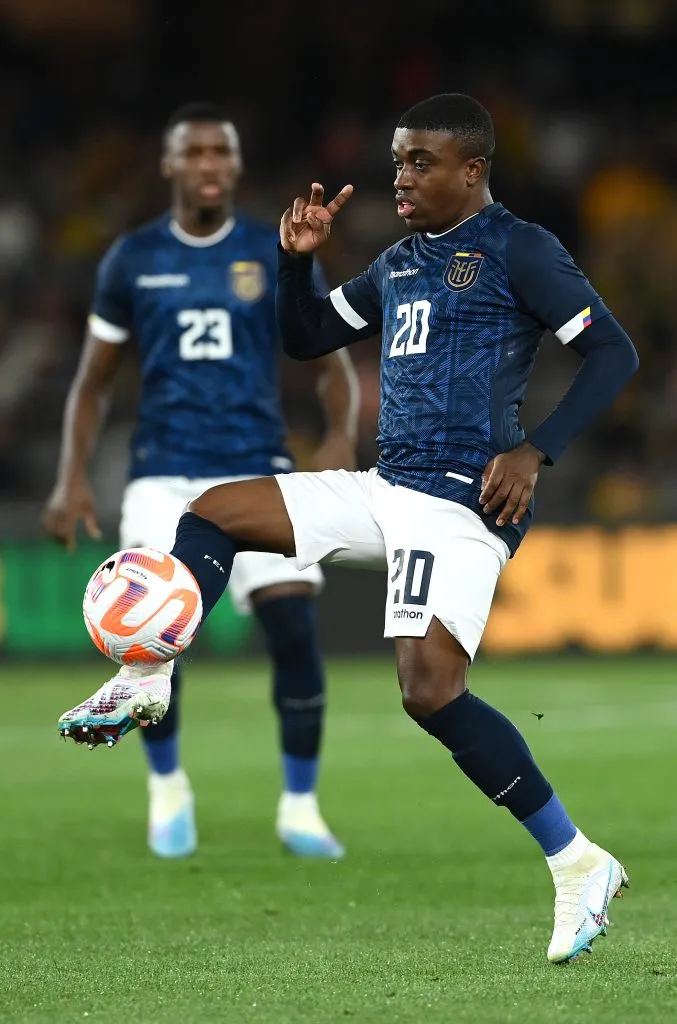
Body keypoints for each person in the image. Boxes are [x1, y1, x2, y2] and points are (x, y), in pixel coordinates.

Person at [59, 94, 638, 962]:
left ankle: (576, 860)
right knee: (211, 512)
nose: (400, 176)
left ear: (472, 170)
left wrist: (535, 451)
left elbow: (613, 353)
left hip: (458, 499)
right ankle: (148, 674)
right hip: (383, 484)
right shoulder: (399, 261)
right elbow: (307, 337)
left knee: (428, 692)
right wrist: (296, 263)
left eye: (420, 162)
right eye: (397, 159)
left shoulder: (518, 248)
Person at [45, 102, 360, 862]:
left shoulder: (272, 248)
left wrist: (340, 436)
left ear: (237, 164)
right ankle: (167, 791)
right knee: (153, 641)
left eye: (221, 151)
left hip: (258, 467)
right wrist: (70, 477)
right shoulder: (131, 258)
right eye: (194, 152)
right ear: (170, 164)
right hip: (163, 472)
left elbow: (332, 364)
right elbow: (92, 382)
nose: (209, 164)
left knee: (294, 628)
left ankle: (301, 805)